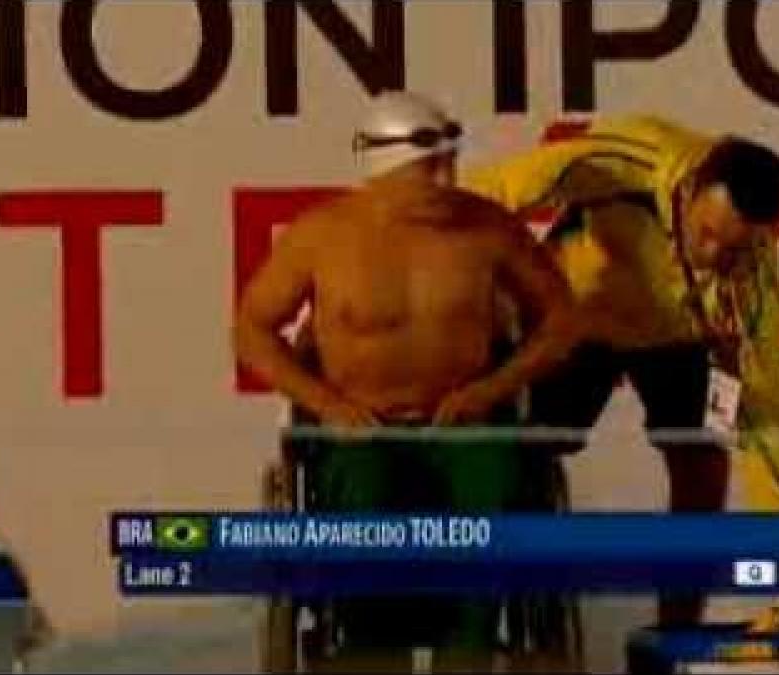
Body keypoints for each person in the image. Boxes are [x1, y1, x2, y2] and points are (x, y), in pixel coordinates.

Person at [234, 90, 576, 670]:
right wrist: (327, 405)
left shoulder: (488, 229)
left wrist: (489, 391)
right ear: (383, 168)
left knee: (491, 504)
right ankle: (372, 654)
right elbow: (252, 331)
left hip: (465, 422)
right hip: (360, 424)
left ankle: (465, 656)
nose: (448, 178)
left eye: (450, 162)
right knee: (364, 519)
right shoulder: (322, 236)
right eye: (431, 167)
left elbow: (563, 321)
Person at [465, 115, 779, 627]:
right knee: (522, 453)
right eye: (705, 235)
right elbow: (489, 191)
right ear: (689, 191)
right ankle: (494, 598)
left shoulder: (753, 273)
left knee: (704, 463)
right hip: (583, 315)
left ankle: (677, 631)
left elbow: (764, 418)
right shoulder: (628, 161)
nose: (710, 257)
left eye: (729, 251)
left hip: (680, 334)